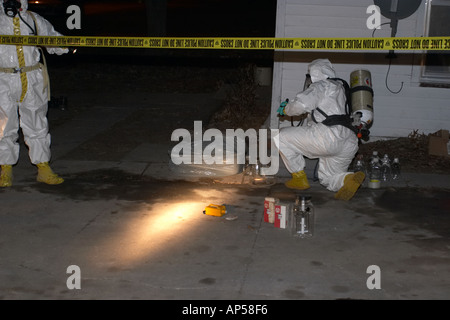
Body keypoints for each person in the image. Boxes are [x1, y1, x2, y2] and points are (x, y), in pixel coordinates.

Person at [275, 59, 365, 201]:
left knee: (280, 136)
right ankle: (348, 179)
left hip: (328, 137)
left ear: (316, 73)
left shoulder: (322, 85)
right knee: (328, 178)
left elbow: (300, 105)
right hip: (349, 140)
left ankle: (299, 177)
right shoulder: (341, 88)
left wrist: (286, 109)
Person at [0, 0, 68, 187]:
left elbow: (54, 40)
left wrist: (67, 44)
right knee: (4, 126)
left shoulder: (33, 20)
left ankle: (43, 167)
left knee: (36, 122)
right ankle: (5, 168)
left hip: (32, 79)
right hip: (3, 79)